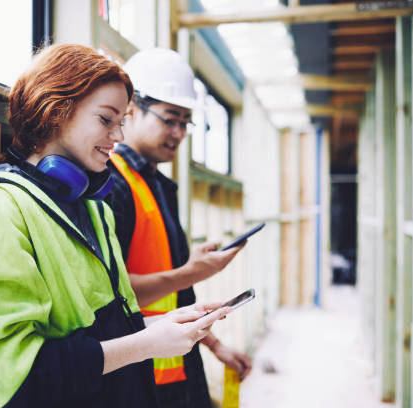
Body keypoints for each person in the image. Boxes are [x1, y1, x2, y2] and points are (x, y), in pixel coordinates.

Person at [0, 44, 230, 408]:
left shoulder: (92, 208)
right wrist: (146, 342)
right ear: (56, 110)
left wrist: (159, 328)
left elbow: (100, 332)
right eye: (105, 119)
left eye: (121, 122)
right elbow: (18, 379)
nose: (117, 136)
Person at [105, 48, 252, 408]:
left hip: (174, 364)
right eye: (169, 119)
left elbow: (176, 294)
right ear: (132, 109)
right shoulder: (112, 185)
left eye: (186, 123)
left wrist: (216, 346)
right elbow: (114, 297)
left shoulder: (157, 185)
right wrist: (189, 273)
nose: (178, 133)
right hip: (137, 372)